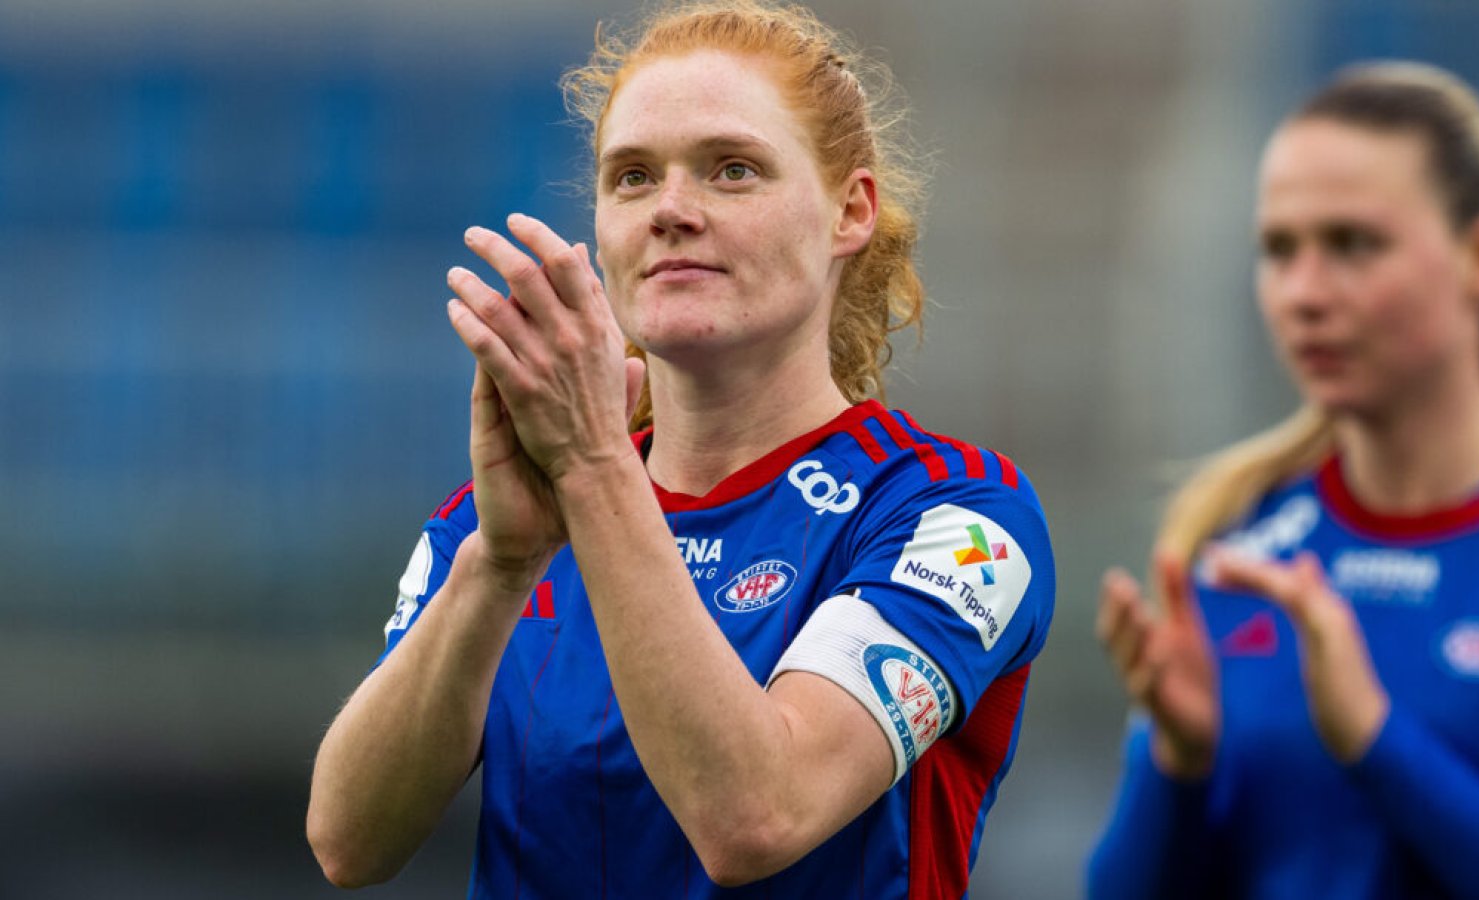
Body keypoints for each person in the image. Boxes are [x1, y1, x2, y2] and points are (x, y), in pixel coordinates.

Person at [305, 1, 1055, 896]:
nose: (670, 210)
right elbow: (347, 842)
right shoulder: (497, 523)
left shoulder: (953, 515)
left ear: (850, 211)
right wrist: (496, 570)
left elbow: (756, 818)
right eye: (630, 177)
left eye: (731, 170)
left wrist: (595, 473)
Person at [1087, 62, 1479, 899]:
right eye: (1279, 250)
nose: (1304, 293)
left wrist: (1374, 739)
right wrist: (1174, 762)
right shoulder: (1235, 545)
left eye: (1353, 244)